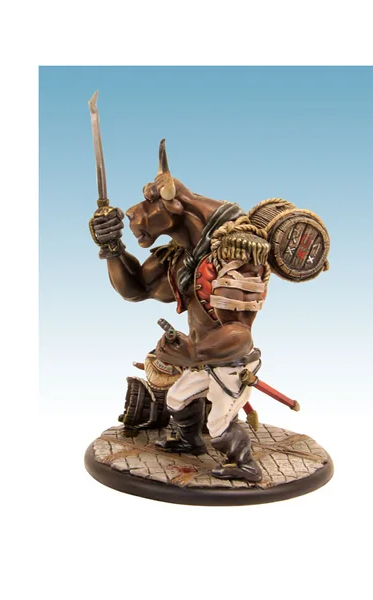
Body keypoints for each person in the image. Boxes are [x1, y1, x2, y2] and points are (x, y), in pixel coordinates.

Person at [88, 141, 269, 482]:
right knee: (177, 399)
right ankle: (189, 441)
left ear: (174, 206)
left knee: (219, 422)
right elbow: (135, 289)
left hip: (230, 363)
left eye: (151, 203)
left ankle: (245, 465)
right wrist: (112, 248)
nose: (134, 212)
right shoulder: (182, 258)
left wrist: (194, 353)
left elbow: (240, 336)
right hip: (201, 357)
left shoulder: (234, 260)